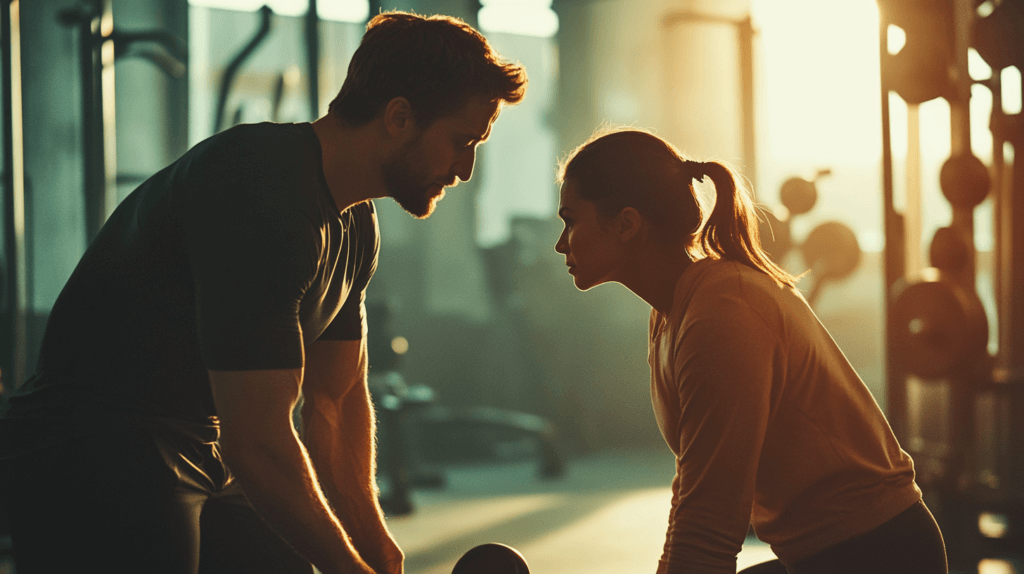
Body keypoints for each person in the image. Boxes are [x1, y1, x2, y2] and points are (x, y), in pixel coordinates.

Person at [0, 11, 525, 574]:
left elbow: (337, 399)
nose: (466, 169)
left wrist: (379, 550)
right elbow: (262, 443)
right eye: (461, 141)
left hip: (212, 443)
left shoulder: (357, 226)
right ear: (399, 117)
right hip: (96, 439)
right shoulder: (261, 189)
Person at [553, 128, 947, 574]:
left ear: (626, 224)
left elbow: (710, 526)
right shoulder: (672, 313)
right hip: (818, 553)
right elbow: (695, 492)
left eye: (570, 220)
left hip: (879, 554)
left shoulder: (723, 313)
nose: (561, 242)